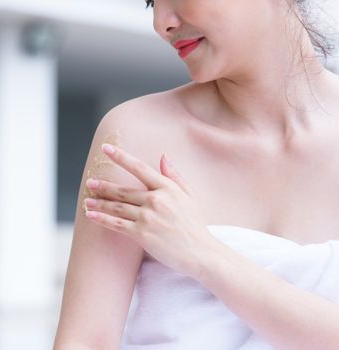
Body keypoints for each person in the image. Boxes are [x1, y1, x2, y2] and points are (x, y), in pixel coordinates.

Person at [53, 0, 339, 349]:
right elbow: (85, 341)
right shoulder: (134, 139)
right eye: (151, 2)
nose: (162, 23)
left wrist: (204, 255)